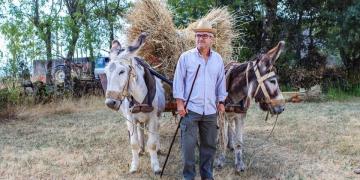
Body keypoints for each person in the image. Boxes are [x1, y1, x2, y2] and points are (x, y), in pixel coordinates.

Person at [173, 20, 227, 180]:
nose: (200, 38)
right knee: (188, 149)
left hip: (210, 111)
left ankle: (207, 176)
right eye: (198, 35)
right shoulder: (186, 58)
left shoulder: (218, 59)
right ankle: (188, 177)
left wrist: (221, 101)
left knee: (209, 147)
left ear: (212, 39)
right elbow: (178, 82)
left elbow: (220, 83)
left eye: (204, 35)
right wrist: (180, 104)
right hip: (190, 111)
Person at [111, 39, 155, 113]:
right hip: (126, 74)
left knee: (147, 73)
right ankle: (130, 102)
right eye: (113, 47)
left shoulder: (125, 52)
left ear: (119, 46)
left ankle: (149, 101)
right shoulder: (114, 57)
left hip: (134, 69)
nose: (114, 48)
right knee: (126, 83)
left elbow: (131, 59)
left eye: (115, 46)